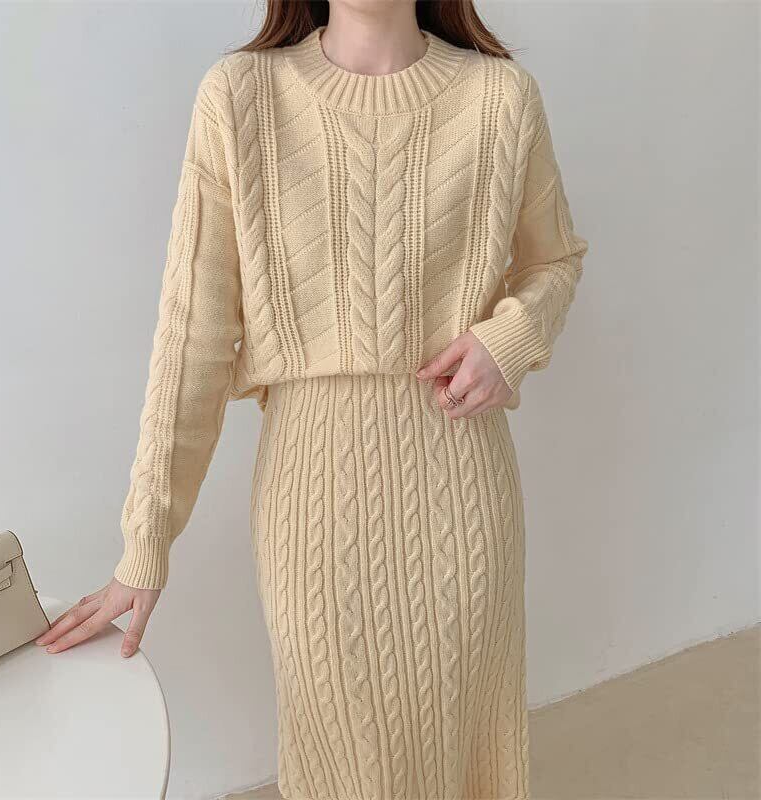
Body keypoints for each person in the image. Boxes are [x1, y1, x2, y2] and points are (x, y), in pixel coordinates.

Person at [36, 0, 588, 796]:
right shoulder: (241, 97)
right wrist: (145, 543)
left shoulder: (500, 97)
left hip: (463, 491)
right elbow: (192, 338)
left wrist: (511, 341)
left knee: (461, 752)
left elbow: (554, 262)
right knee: (342, 765)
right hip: (312, 507)